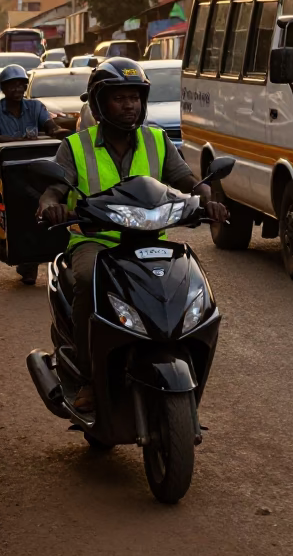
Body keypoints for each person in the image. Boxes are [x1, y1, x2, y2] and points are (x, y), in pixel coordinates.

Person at [37, 58, 228, 413]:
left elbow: (187, 181)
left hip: (149, 240)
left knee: (187, 284)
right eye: (120, 98)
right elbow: (53, 189)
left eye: (135, 98)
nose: (130, 106)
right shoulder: (76, 146)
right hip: (96, 242)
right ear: (98, 104)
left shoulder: (157, 140)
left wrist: (208, 200)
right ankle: (87, 377)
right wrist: (51, 205)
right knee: (85, 280)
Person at [0, 64, 68, 284]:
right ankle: (28, 262)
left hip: (39, 173)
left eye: (21, 84)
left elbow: (50, 127)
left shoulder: (36, 107)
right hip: (10, 176)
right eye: (12, 84)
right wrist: (13, 142)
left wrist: (62, 132)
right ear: (4, 88)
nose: (18, 88)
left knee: (48, 212)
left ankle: (35, 261)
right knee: (21, 218)